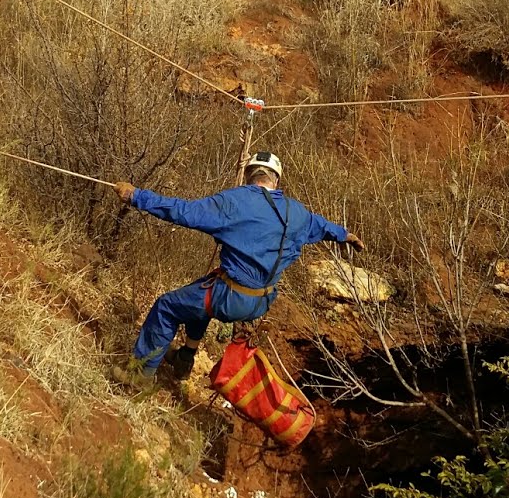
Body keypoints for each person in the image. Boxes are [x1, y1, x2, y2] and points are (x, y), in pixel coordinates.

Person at [113, 151, 364, 382]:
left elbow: (184, 212)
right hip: (261, 302)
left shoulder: (236, 201)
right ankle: (185, 358)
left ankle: (139, 375)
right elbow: (322, 226)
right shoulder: (295, 211)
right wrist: (345, 235)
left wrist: (137, 197)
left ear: (248, 175)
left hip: (230, 296)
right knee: (198, 296)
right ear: (275, 180)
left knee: (167, 307)